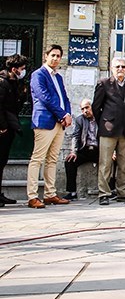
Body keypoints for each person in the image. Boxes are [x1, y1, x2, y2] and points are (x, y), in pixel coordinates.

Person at [26, 45, 72, 209]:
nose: (55, 58)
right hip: (45, 121)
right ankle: (32, 196)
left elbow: (64, 97)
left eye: (58, 56)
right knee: (37, 159)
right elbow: (44, 98)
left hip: (60, 123)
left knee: (52, 159)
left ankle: (50, 194)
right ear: (46, 56)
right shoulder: (38, 75)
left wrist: (68, 114)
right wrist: (62, 114)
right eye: (53, 55)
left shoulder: (58, 77)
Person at [93, 56, 125, 206]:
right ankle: (104, 193)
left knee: (124, 163)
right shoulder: (104, 83)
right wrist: (105, 121)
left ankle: (123, 193)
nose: (120, 69)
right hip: (108, 129)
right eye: (117, 66)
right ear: (112, 68)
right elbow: (96, 107)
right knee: (105, 163)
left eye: (123, 67)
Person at [63, 99, 116, 200]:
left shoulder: (102, 118)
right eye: (82, 109)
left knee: (113, 161)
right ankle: (72, 192)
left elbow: (110, 135)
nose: (85, 111)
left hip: (99, 150)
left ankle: (111, 190)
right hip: (85, 150)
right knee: (69, 161)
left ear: (92, 107)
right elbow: (76, 136)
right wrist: (73, 151)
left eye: (87, 107)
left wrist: (112, 151)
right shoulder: (80, 120)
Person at [0, 54, 28, 206]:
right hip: (3, 128)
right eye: (22, 69)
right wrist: (2, 127)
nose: (24, 71)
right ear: (14, 69)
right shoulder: (2, 83)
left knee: (2, 161)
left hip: (10, 126)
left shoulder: (15, 83)